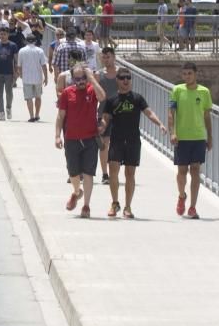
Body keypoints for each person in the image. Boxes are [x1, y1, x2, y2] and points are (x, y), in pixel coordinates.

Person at [101, 67, 167, 218]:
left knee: (130, 174)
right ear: (117, 80)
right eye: (122, 78)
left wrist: (160, 124)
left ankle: (128, 207)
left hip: (133, 141)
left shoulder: (137, 98)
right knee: (113, 172)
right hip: (116, 140)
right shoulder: (111, 100)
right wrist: (102, 127)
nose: (126, 80)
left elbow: (149, 112)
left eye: (128, 78)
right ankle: (114, 203)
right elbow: (105, 118)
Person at [55, 64, 107, 218]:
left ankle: (86, 206)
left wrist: (91, 77)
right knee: (73, 173)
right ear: (73, 79)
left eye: (83, 77)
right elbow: (60, 117)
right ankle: (77, 192)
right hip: (71, 139)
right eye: (77, 78)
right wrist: (57, 135)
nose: (81, 81)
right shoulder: (67, 93)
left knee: (88, 173)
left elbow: (103, 96)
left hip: (90, 139)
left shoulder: (92, 90)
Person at [169, 62, 213, 219]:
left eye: (190, 74)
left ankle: (193, 207)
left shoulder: (204, 92)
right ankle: (182, 196)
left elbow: (207, 116)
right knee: (182, 172)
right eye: (184, 74)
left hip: (199, 137)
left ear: (196, 74)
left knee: (195, 170)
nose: (187, 76)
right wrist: (173, 133)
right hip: (182, 138)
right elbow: (171, 113)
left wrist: (210, 137)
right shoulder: (177, 90)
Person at [95, 47, 118, 184]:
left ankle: (114, 172)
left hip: (119, 114)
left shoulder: (121, 73)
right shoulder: (98, 74)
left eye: (108, 57)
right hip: (103, 114)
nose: (105, 59)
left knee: (116, 145)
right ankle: (105, 174)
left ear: (113, 57)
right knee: (104, 144)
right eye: (103, 57)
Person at [0, 28, 19, 121]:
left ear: (8, 35)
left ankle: (8, 108)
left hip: (9, 73)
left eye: (4, 34)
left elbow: (16, 60)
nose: (2, 36)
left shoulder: (13, 45)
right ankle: (1, 113)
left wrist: (16, 72)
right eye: (1, 34)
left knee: (9, 92)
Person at [17, 34, 48, 122]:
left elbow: (19, 65)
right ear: (35, 41)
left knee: (29, 98)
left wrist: (20, 74)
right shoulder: (40, 51)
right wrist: (46, 77)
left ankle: (31, 116)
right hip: (38, 77)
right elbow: (44, 65)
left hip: (26, 78)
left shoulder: (21, 51)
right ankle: (37, 114)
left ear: (26, 41)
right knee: (38, 96)